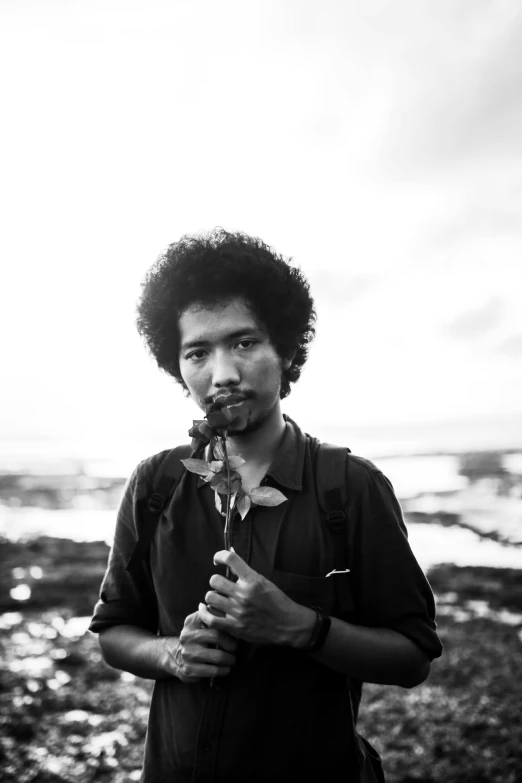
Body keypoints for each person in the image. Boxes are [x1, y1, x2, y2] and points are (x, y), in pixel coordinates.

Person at [89, 229, 443, 782]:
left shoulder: (349, 487)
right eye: (198, 352)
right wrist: (171, 656)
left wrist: (303, 628)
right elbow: (115, 631)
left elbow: (413, 656)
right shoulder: (155, 484)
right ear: (176, 366)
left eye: (245, 343)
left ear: (284, 348)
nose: (223, 373)